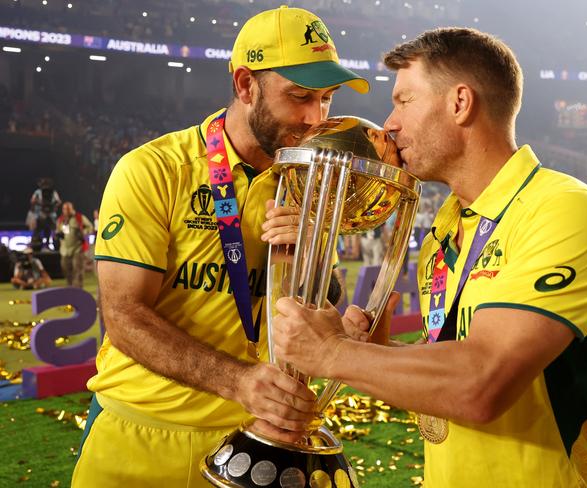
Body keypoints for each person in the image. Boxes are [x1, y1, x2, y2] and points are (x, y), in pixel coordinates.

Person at [272, 28, 587, 488]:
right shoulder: (444, 233)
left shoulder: (564, 210)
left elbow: (482, 384)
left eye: (404, 101)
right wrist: (373, 352)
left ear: (460, 103)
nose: (390, 124)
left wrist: (331, 353)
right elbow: (447, 368)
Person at [72, 6, 368, 488]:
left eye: (327, 99)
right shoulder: (154, 170)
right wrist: (240, 382)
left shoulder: (309, 187)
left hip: (249, 442)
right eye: (300, 97)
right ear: (247, 84)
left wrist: (309, 262)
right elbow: (124, 314)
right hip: (140, 434)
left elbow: (320, 303)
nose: (316, 118)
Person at [56, 201, 93, 288]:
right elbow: (57, 231)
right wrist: (58, 234)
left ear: (72, 208)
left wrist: (83, 232)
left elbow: (90, 227)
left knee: (78, 270)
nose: (66, 211)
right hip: (65, 250)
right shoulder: (61, 220)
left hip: (77, 248)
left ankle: (78, 290)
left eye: (68, 209)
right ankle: (70, 289)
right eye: (65, 209)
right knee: (66, 270)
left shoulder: (79, 217)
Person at [29, 177, 61, 252]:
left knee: (48, 230)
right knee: (39, 231)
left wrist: (52, 207)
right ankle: (37, 246)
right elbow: (58, 202)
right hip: (42, 215)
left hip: (49, 215)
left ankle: (47, 245)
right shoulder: (39, 192)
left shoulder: (53, 192)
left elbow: (58, 202)